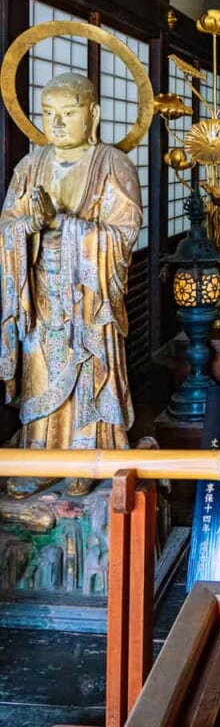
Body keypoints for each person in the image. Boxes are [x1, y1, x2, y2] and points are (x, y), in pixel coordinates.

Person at [0, 72, 142, 497]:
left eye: (68, 113)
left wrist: (68, 225)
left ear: (93, 114)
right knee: (41, 376)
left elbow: (125, 229)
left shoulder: (112, 164)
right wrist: (28, 224)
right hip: (42, 289)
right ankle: (41, 456)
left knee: (87, 372)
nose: (56, 124)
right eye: (48, 114)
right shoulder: (30, 165)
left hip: (89, 295)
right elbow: (7, 225)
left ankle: (90, 456)